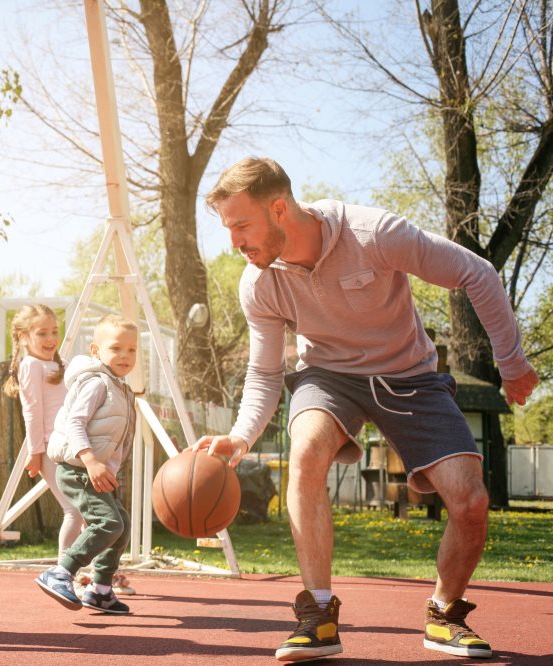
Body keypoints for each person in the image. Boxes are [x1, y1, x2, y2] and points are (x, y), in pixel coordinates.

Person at [194, 156, 538, 661]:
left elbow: (476, 272)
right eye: (228, 229)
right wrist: (243, 435)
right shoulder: (259, 283)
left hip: (411, 377)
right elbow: (266, 372)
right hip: (329, 378)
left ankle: (444, 616)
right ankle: (317, 615)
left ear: (280, 209)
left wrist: (511, 362)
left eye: (241, 225)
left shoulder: (374, 233)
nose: (234, 242)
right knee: (308, 449)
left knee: (470, 501)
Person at [35, 314, 139, 615]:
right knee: (109, 523)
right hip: (79, 468)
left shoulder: (120, 388)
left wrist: (105, 467)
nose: (124, 355)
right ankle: (61, 571)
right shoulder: (96, 383)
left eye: (132, 350)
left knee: (122, 525)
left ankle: (101, 591)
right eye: (116, 348)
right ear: (96, 351)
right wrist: (91, 460)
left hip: (97, 471)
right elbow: (75, 423)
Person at [3, 305, 85, 557]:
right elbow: (32, 411)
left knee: (89, 512)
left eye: (54, 332)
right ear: (23, 337)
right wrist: (35, 452)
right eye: (42, 333)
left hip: (72, 448)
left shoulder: (64, 365)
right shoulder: (31, 366)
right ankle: (64, 571)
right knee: (74, 509)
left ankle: (93, 571)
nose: (50, 339)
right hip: (51, 450)